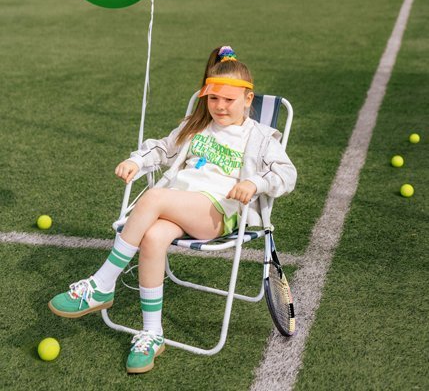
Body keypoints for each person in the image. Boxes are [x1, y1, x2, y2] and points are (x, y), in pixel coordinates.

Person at [48, 46, 297, 374]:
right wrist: (137, 161)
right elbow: (163, 149)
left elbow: (286, 174)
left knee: (152, 198)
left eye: (229, 100)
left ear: (248, 100)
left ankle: (102, 283)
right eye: (213, 98)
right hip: (180, 204)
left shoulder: (260, 137)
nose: (220, 106)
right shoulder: (198, 126)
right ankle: (153, 333)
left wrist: (255, 183)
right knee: (152, 238)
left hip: (216, 213)